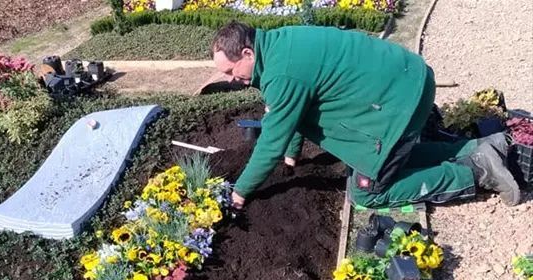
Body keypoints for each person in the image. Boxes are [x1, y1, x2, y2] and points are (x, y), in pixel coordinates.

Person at [206, 21, 522, 209]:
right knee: (390, 161)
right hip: (409, 79)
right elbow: (293, 111)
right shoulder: (279, 43)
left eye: (231, 71)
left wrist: (240, 192)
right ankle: (478, 148)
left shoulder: (281, 74)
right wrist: (293, 157)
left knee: (366, 191)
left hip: (399, 104)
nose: (232, 79)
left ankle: (478, 173)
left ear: (247, 53)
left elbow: (271, 140)